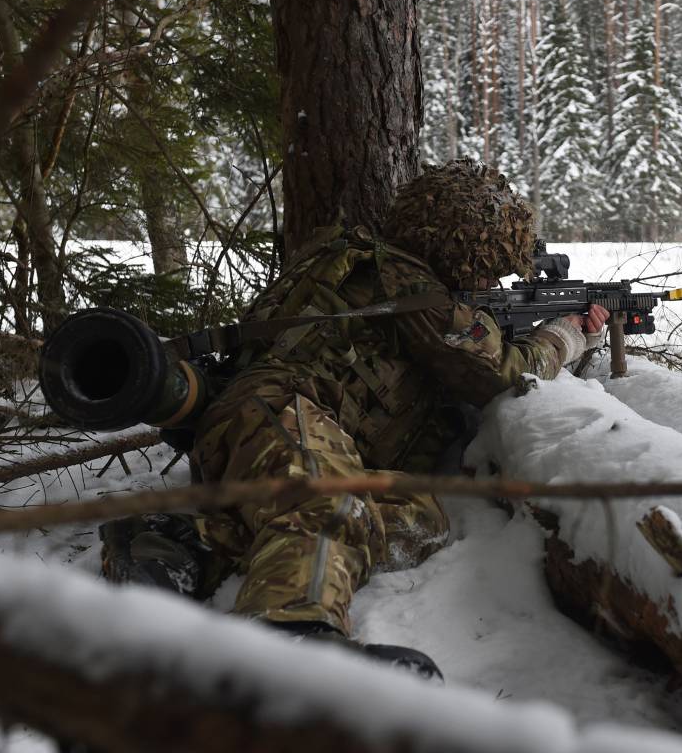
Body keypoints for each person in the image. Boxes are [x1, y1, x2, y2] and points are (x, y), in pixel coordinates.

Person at [100, 160, 609, 679]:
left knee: (421, 516)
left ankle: (182, 543)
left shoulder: (352, 258)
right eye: (486, 266)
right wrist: (565, 337)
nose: (488, 280)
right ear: (462, 247)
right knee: (329, 509)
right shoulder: (414, 288)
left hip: (256, 428)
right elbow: (502, 373)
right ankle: (291, 639)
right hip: (285, 413)